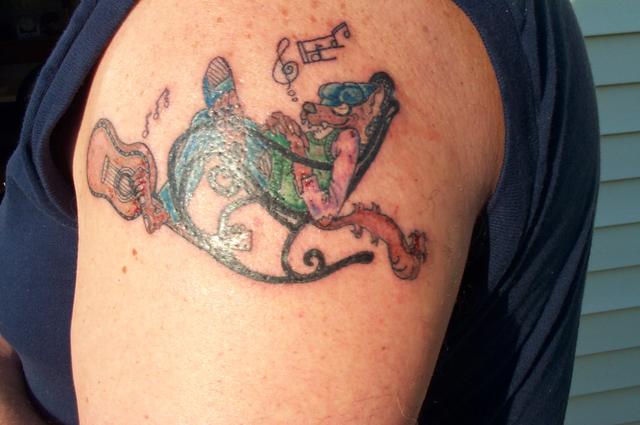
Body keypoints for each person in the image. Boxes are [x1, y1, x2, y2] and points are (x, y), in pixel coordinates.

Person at [0, 0, 599, 424]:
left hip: (292, 187)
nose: (321, 113)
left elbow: (326, 205)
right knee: (219, 142)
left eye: (335, 111)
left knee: (220, 144)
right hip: (282, 169)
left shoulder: (255, 18)